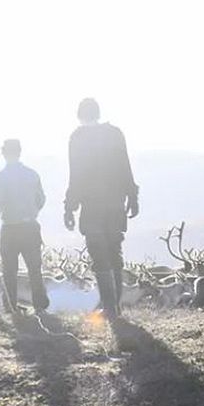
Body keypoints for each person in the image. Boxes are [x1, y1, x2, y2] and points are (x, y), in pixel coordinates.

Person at [64, 98, 139, 320]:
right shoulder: (115, 133)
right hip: (116, 203)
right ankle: (115, 306)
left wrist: (69, 207)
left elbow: (75, 174)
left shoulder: (77, 137)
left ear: (79, 115)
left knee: (99, 254)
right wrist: (133, 196)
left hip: (92, 206)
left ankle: (109, 307)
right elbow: (126, 166)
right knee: (115, 252)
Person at [0, 139, 50, 313]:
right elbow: (41, 199)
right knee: (34, 269)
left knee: (9, 271)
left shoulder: (2, 176)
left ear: (4, 153)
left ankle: (11, 308)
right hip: (30, 227)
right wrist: (32, 211)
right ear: (19, 152)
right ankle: (40, 306)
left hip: (10, 228)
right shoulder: (32, 174)